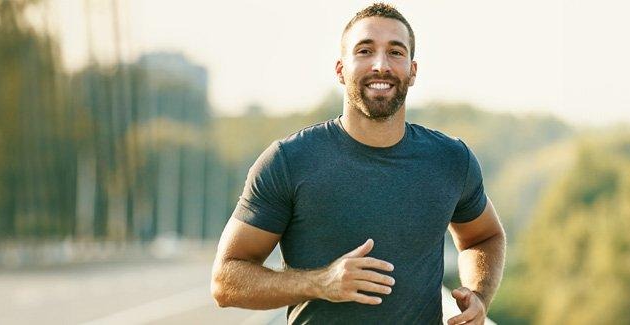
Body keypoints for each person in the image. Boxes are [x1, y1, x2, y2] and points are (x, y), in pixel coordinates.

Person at [210, 3, 505, 324]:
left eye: (395, 52)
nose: (381, 65)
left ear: (413, 71)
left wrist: (477, 294)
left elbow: (484, 237)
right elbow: (226, 280)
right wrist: (321, 282)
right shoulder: (289, 161)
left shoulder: (451, 160)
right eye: (365, 51)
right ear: (340, 69)